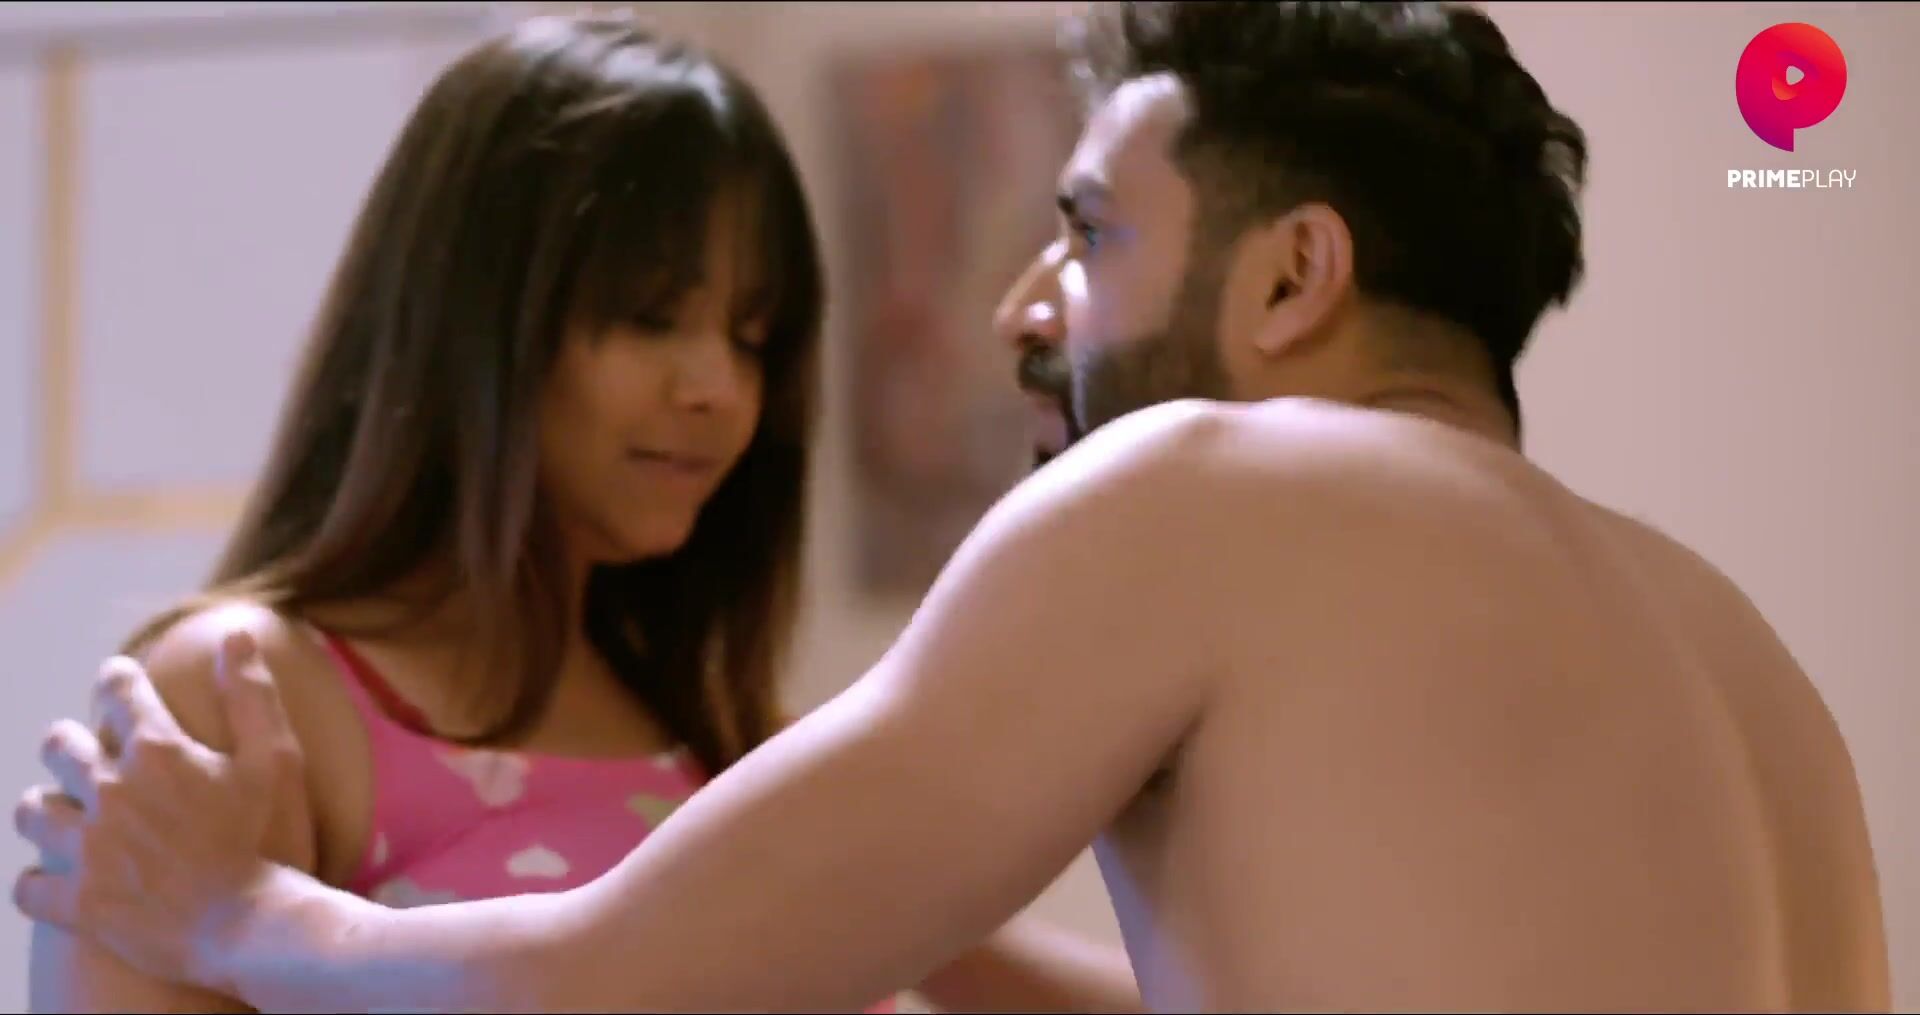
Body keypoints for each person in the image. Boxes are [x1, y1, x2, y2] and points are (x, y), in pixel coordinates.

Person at [13, 1, 1895, 1011]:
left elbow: (607, 985)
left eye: (1088, 235)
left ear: (1291, 275)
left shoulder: (1207, 484)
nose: (1021, 312)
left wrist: (236, 914)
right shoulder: (1739, 651)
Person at [9, 11, 1140, 1015]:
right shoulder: (242, 697)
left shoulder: (724, 735)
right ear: (470, 319)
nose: (718, 389)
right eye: (650, 318)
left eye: (752, 337)